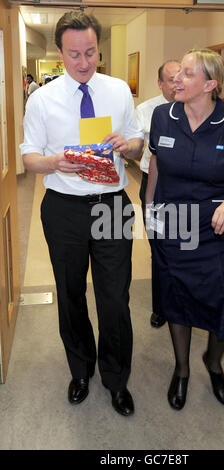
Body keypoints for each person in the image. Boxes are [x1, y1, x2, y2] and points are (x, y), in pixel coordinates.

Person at [20, 11, 143, 417]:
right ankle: (81, 370)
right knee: (70, 294)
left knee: (114, 298)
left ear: (98, 48)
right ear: (60, 52)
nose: (84, 62)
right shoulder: (42, 99)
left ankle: (116, 378)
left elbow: (138, 144)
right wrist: (54, 161)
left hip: (111, 205)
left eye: (91, 52)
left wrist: (128, 146)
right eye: (74, 54)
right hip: (65, 209)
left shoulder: (118, 90)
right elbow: (29, 157)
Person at [146, 48, 224, 410]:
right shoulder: (163, 116)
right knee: (176, 297)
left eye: (187, 74)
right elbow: (156, 164)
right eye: (177, 73)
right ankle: (181, 371)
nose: (176, 78)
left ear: (210, 84)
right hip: (173, 224)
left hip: (218, 227)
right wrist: (149, 209)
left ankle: (213, 362)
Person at [135, 60, 180, 329]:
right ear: (160, 83)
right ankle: (161, 306)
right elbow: (137, 145)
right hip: (154, 185)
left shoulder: (195, 106)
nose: (177, 84)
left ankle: (182, 300)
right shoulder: (147, 110)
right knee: (159, 245)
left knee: (184, 245)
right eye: (171, 79)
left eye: (181, 77)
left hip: (184, 186)